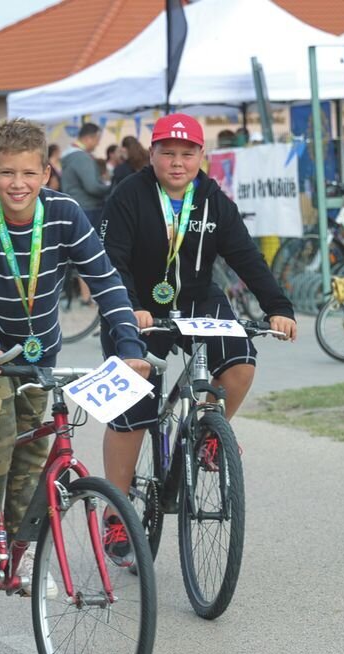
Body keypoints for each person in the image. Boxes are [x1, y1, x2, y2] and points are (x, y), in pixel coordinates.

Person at [0, 117, 150, 586]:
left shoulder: (64, 214)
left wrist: (129, 345)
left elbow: (106, 283)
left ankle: (17, 549)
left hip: (41, 349)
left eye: (27, 174)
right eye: (6, 173)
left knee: (36, 450)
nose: (17, 184)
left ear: (45, 174)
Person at [98, 112, 297, 498]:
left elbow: (246, 257)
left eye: (187, 154)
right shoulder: (128, 194)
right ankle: (116, 511)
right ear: (151, 154)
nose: (177, 162)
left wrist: (280, 307)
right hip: (136, 305)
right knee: (132, 408)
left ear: (201, 155)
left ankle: (208, 432)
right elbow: (112, 261)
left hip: (196, 300)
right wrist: (129, 307)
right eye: (167, 153)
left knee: (240, 363)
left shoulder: (212, 199)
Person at [61, 122, 112, 228]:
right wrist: (109, 188)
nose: (98, 144)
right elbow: (92, 187)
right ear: (89, 138)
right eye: (97, 140)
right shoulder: (81, 157)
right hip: (88, 209)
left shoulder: (70, 155)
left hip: (76, 206)